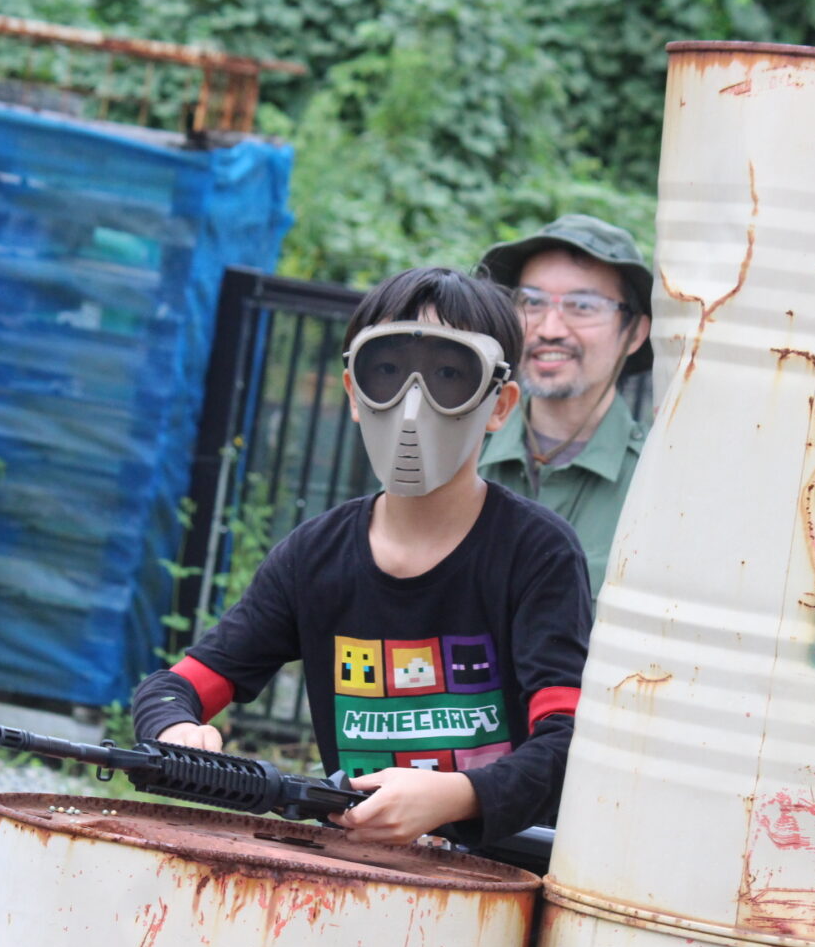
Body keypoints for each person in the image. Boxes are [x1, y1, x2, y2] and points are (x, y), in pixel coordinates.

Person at [133, 267, 591, 851]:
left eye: (450, 375)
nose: (412, 404)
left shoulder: (537, 553)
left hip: (508, 878)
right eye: (388, 372)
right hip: (361, 871)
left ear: (499, 404)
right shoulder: (314, 557)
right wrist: (177, 729)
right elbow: (176, 687)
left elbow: (567, 740)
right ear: (354, 393)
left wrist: (459, 795)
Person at [475, 214, 653, 601]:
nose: (549, 329)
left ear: (635, 332)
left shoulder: (659, 482)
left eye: (582, 306)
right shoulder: (454, 451)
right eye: (532, 302)